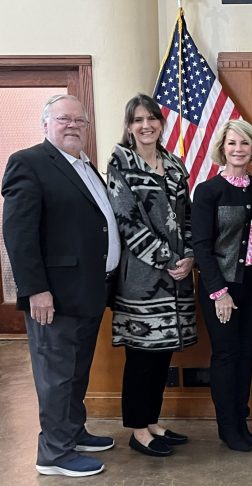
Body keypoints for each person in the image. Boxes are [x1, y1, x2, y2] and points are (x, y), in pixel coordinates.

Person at [2, 94, 120, 477]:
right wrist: (35, 289)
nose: (73, 125)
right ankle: (53, 453)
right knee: (56, 376)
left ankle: (72, 433)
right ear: (45, 124)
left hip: (87, 291)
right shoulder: (29, 163)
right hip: (53, 295)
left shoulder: (84, 166)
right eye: (63, 119)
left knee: (75, 371)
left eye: (79, 120)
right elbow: (18, 234)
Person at [106, 94, 196, 457]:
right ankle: (137, 429)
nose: (146, 125)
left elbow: (188, 216)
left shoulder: (174, 164)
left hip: (177, 278)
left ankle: (154, 422)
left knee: (162, 355)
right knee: (141, 356)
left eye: (152, 119)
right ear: (129, 126)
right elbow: (125, 221)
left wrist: (188, 255)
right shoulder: (120, 163)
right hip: (141, 278)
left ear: (161, 122)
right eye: (138, 120)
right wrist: (167, 258)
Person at [192, 119, 252, 452]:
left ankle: (242, 420)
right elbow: (201, 246)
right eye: (232, 143)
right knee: (225, 355)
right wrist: (218, 292)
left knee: (246, 354)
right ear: (222, 148)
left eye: (244, 144)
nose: (238, 150)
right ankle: (228, 428)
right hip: (221, 286)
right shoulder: (208, 191)